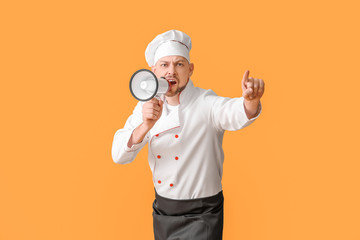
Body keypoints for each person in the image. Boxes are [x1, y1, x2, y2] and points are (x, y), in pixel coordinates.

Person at [112, 29, 265, 240]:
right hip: (164, 211)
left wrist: (250, 101)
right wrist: (145, 126)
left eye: (179, 64)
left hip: (203, 213)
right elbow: (118, 155)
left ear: (190, 69)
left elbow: (235, 111)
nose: (171, 72)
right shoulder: (145, 107)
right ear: (153, 70)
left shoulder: (206, 103)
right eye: (164, 65)